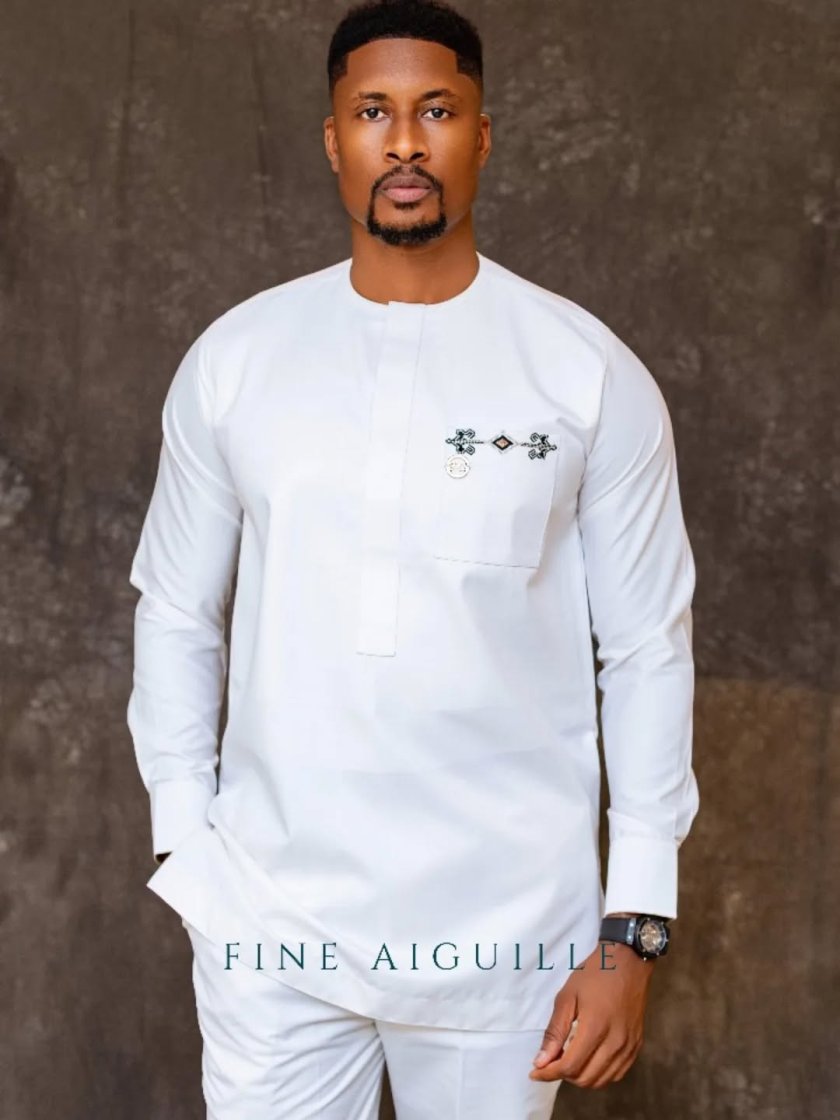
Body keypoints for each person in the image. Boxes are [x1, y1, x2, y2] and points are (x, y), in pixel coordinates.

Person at [126, 1, 700, 1116]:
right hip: (272, 925)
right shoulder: (238, 360)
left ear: (481, 135)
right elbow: (176, 609)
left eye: (436, 111)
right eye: (372, 113)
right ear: (332, 138)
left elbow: (646, 649)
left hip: (510, 934)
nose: (404, 142)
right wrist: (186, 846)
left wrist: (634, 925)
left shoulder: (584, 373)